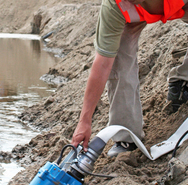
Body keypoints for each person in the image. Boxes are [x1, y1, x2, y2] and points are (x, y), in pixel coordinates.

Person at [71, 0, 188, 157]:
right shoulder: (115, 5)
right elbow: (103, 64)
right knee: (119, 52)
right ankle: (127, 135)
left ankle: (183, 78)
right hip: (135, 17)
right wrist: (84, 122)